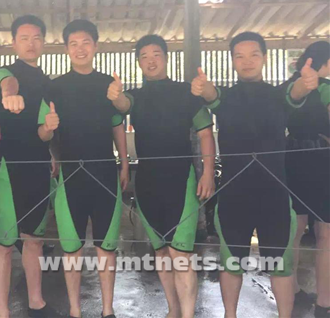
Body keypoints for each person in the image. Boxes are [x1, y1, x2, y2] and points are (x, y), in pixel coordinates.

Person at [191, 32, 319, 318]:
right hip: (234, 195)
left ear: (264, 58)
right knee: (231, 263)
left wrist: (306, 83)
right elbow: (212, 96)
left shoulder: (278, 95)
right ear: (232, 61)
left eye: (253, 55)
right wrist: (203, 88)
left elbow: (295, 92)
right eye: (239, 56)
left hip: (275, 195)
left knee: (280, 266)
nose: (247, 61)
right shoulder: (226, 97)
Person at [108, 34, 215, 318]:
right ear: (139, 63)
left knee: (181, 254)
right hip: (147, 181)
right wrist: (117, 97)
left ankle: (187, 314)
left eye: (156, 54)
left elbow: (206, 133)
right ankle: (173, 310)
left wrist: (207, 173)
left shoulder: (185, 93)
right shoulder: (136, 96)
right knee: (162, 252)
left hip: (181, 180)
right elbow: (123, 105)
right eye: (144, 56)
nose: (151, 60)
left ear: (166, 58)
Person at [39, 19, 129, 318]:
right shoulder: (54, 87)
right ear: (66, 49)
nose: (80, 49)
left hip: (105, 174)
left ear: (95, 46)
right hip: (70, 177)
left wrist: (124, 163)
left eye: (85, 43)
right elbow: (44, 134)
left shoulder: (107, 85)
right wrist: (48, 131)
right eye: (73, 44)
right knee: (71, 248)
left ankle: (107, 310)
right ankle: (75, 310)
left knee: (106, 247)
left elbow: (119, 123)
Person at [0, 15, 57, 318]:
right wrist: (9, 95)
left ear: (43, 42)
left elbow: (44, 131)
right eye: (24, 38)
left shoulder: (47, 84)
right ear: (14, 43)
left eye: (36, 38)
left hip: (39, 166)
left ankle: (36, 302)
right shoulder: (7, 73)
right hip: (11, 167)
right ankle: (2, 310)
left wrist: (50, 136)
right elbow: (8, 84)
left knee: (34, 239)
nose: (31, 43)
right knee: (5, 242)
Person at [283, 41, 330, 318]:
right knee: (326, 233)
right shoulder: (325, 88)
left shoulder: (289, 87)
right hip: (323, 163)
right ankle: (324, 303)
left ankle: (292, 292)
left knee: (295, 230)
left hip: (292, 161)